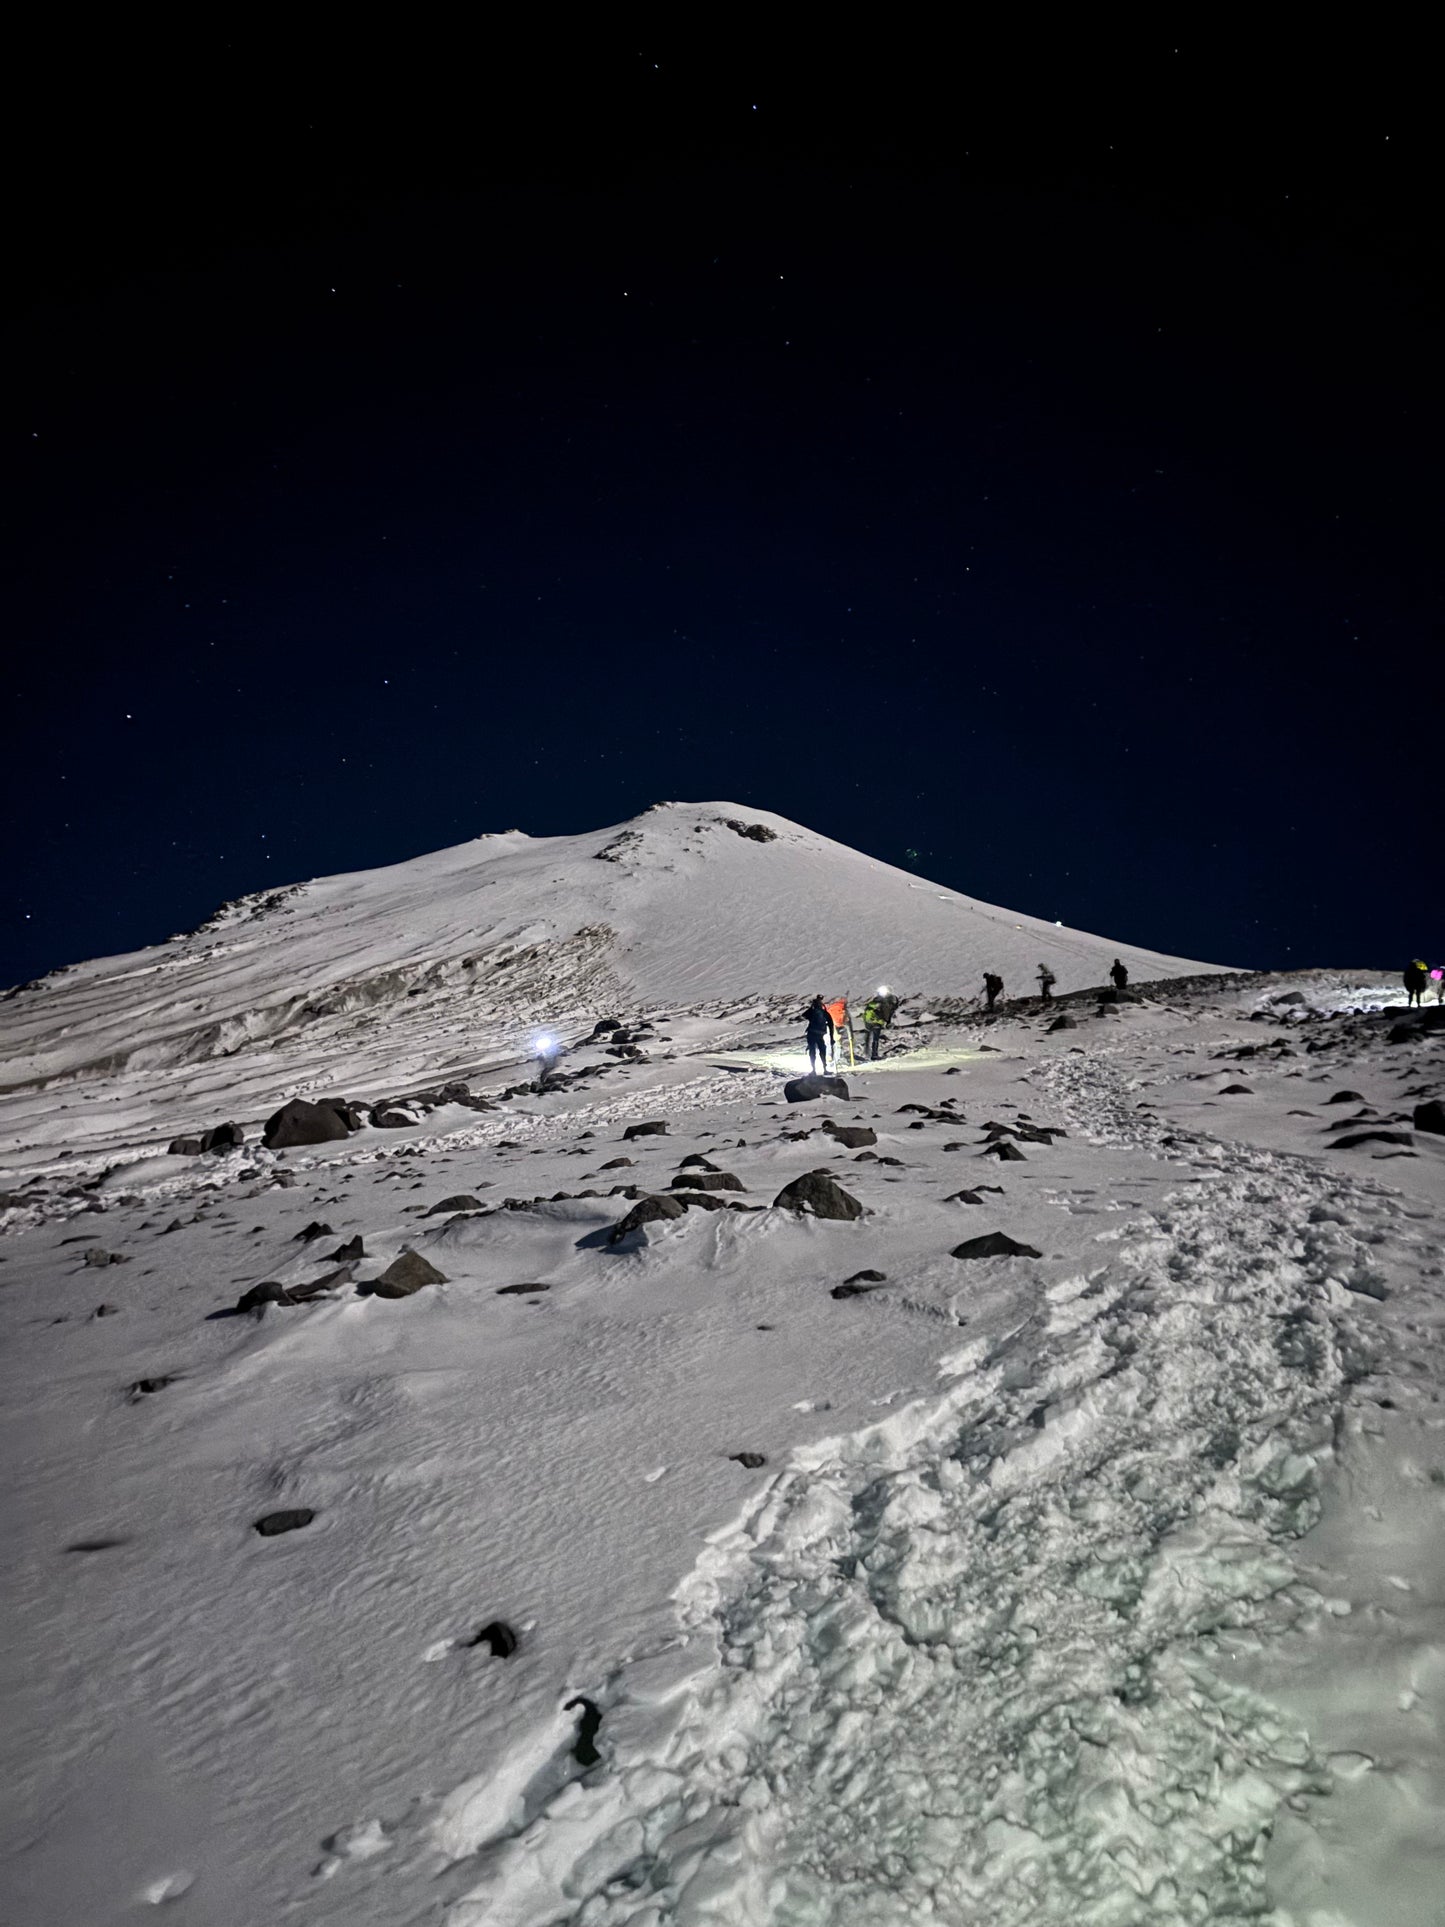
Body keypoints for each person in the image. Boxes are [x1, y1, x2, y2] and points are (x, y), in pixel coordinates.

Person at [861, 989, 899, 1060]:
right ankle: (874, 1054)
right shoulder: (884, 1004)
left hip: (869, 1023)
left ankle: (867, 1053)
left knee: (869, 1038)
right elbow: (887, 1014)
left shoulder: (874, 1003)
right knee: (875, 1039)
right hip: (877, 1023)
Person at [804, 995, 836, 1075]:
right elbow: (831, 1026)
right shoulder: (825, 1014)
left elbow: (804, 1015)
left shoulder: (812, 1012)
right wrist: (832, 1038)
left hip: (811, 1034)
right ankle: (825, 1069)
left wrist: (812, 1007)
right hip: (819, 1035)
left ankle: (813, 1070)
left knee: (812, 1052)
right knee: (822, 1052)